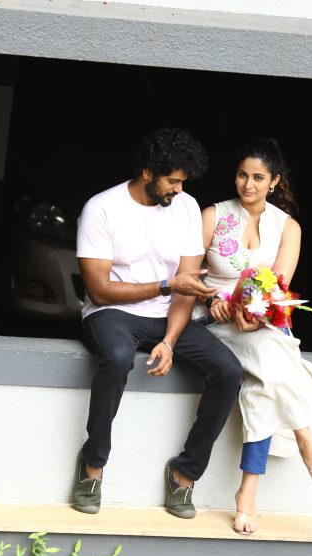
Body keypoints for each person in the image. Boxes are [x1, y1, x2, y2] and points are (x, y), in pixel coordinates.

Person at [73, 127, 243, 520]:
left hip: (168, 314)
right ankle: (93, 465)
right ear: (148, 173)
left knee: (228, 371)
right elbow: (99, 290)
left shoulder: (186, 207)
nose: (180, 190)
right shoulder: (102, 208)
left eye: (183, 182)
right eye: (173, 181)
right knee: (118, 357)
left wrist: (169, 339)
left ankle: (185, 473)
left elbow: (187, 287)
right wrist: (166, 285)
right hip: (112, 313)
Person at [195, 138, 312, 535]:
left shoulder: (287, 227)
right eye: (242, 175)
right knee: (275, 359)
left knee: (263, 382)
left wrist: (253, 316)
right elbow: (187, 273)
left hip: (262, 324)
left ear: (274, 181)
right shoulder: (213, 215)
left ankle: (247, 494)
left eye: (258, 177)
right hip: (216, 322)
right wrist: (213, 300)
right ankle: (304, 434)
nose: (248, 184)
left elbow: (278, 288)